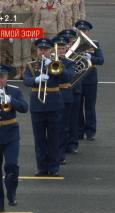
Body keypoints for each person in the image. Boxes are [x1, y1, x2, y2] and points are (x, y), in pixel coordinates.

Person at [23, 38, 72, 176]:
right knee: (39, 139)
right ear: (37, 51)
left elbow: (67, 77)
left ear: (50, 51)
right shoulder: (31, 66)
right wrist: (35, 80)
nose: (43, 52)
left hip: (54, 105)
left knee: (54, 137)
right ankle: (41, 167)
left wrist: (53, 65)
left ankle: (54, 167)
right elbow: (26, 80)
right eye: (41, 49)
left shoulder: (57, 64)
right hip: (37, 106)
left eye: (46, 49)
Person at [0, 65, 28, 211]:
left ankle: (11, 194)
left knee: (11, 166)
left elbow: (24, 108)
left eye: (2, 77)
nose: (0, 80)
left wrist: (11, 100)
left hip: (10, 133)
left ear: (6, 78)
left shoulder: (14, 91)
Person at [75, 20, 104, 141]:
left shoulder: (94, 44)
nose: (83, 32)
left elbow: (101, 60)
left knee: (90, 106)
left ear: (88, 32)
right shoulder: (72, 44)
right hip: (77, 78)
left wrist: (91, 57)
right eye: (80, 30)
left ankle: (91, 131)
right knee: (77, 107)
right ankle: (79, 131)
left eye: (85, 30)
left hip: (90, 78)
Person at [52, 35, 74, 164]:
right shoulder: (47, 62)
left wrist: (60, 63)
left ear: (66, 49)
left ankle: (60, 155)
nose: (60, 50)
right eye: (58, 48)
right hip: (51, 96)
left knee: (63, 127)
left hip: (65, 97)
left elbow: (68, 77)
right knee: (51, 127)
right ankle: (51, 153)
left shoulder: (70, 62)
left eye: (62, 48)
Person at [9, 0, 33, 79]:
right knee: (17, 53)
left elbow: (33, 20)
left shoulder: (29, 6)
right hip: (15, 32)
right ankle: (18, 72)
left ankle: (25, 72)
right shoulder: (12, 7)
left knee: (26, 53)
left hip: (27, 32)